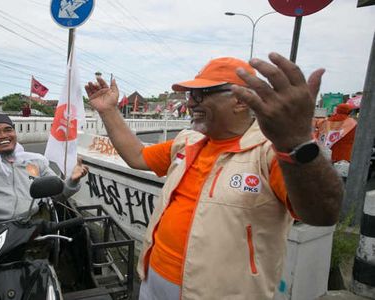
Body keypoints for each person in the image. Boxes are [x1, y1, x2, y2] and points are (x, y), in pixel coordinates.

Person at [85, 53, 343, 300]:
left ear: (241, 101)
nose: (190, 102)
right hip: (153, 279)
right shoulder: (188, 141)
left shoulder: (272, 153)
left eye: (201, 94)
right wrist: (108, 111)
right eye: (189, 94)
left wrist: (296, 144)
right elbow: (138, 156)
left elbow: (322, 214)